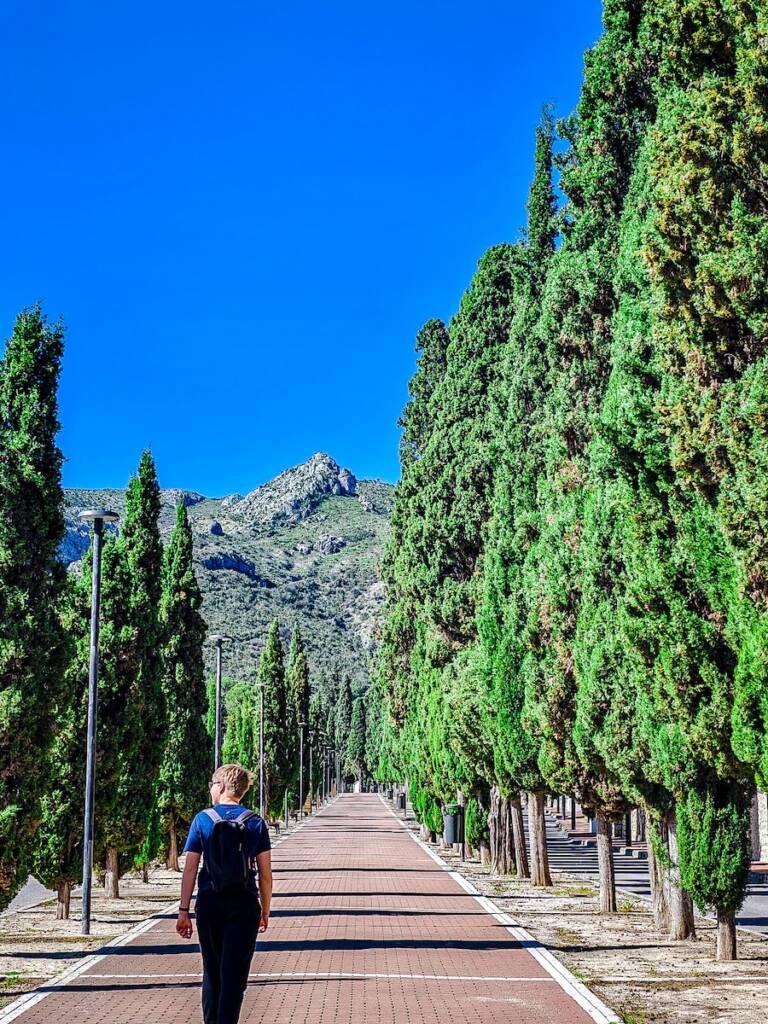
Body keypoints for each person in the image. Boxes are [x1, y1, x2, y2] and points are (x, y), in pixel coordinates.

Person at [176, 763, 272, 1024]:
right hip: (244, 906)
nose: (210, 789)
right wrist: (265, 910)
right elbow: (265, 874)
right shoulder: (255, 822)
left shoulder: (202, 819)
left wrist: (183, 911)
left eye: (212, 784)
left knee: (212, 972)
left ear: (220, 787)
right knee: (234, 977)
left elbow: (190, 869)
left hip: (209, 905)